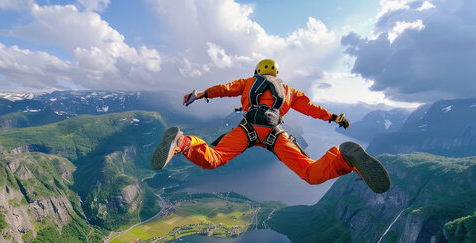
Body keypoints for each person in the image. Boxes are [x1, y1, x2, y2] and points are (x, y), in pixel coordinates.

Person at [151, 59, 390, 194]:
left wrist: (201, 94)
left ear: (257, 73)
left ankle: (182, 142)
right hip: (276, 134)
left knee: (213, 158)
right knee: (310, 172)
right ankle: (344, 160)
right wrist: (335, 118)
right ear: (276, 74)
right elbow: (310, 108)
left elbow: (224, 89)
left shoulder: (247, 83)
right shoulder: (288, 91)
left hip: (247, 129)